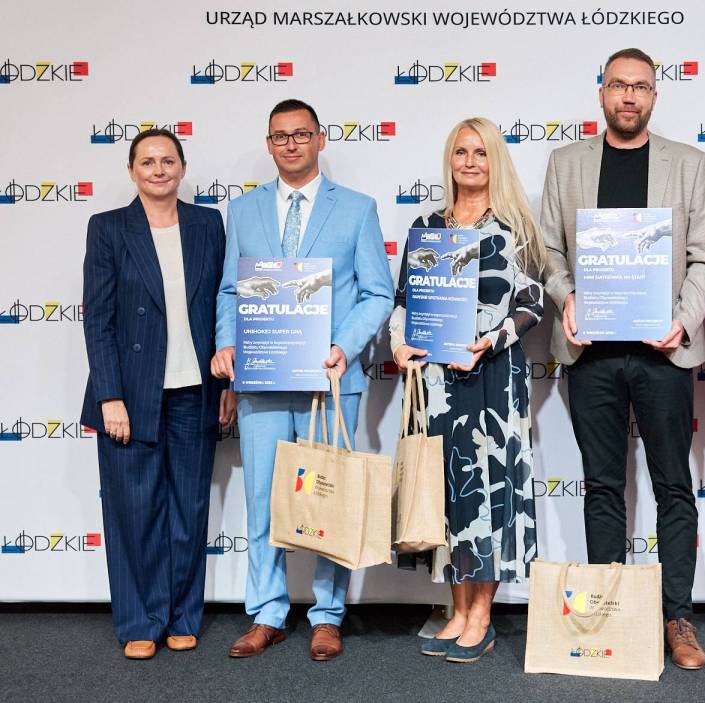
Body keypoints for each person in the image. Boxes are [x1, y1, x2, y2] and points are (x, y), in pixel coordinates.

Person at [539, 48, 705, 670]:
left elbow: (703, 258)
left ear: (654, 95)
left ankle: (677, 618)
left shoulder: (688, 163)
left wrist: (682, 320)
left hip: (663, 353)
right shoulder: (565, 163)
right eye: (619, 85)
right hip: (590, 354)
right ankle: (610, 613)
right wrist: (567, 296)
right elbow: (549, 253)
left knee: (673, 485)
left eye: (641, 86)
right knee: (602, 486)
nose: (629, 96)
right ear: (602, 92)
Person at [212, 99, 393, 661]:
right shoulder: (243, 210)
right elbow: (229, 291)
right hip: (263, 380)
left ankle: (327, 615)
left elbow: (378, 293)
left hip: (330, 381)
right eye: (280, 136)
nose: (290, 144)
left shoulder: (357, 209)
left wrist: (342, 346)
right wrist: (227, 342)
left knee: (328, 500)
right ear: (268, 144)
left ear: (320, 139)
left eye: (300, 134)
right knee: (263, 499)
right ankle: (267, 613)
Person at [390, 117, 544, 663]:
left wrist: (492, 340)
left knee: (492, 491)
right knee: (450, 493)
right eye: (461, 152)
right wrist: (398, 342)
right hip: (437, 381)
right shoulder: (427, 227)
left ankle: (482, 614)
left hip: (495, 377)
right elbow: (405, 300)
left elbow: (533, 303)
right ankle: (456, 609)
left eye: (480, 152)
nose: (470, 161)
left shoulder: (516, 227)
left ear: (494, 159)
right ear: (450, 160)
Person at [81, 128, 235, 659]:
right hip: (130, 395)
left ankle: (182, 616)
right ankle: (140, 622)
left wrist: (227, 383)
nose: (158, 169)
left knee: (189, 510)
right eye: (147, 161)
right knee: (135, 511)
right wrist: (110, 396)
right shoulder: (107, 228)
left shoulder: (207, 224)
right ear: (131, 171)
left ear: (182, 168)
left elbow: (221, 305)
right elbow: (98, 319)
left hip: (196, 389)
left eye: (168, 160)